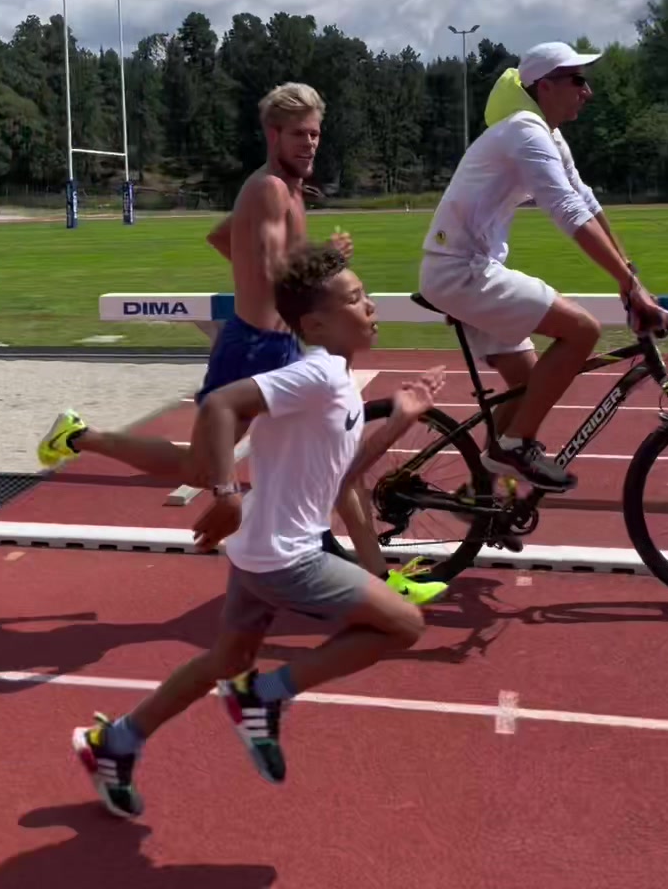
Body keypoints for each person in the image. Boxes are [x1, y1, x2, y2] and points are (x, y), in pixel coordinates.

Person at [37, 244, 445, 818]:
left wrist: (399, 421)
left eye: (366, 296)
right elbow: (221, 405)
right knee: (404, 624)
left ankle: (116, 743)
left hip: (259, 551)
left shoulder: (337, 382)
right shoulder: (316, 374)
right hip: (286, 558)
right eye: (355, 299)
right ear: (315, 325)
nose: (370, 307)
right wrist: (226, 495)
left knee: (226, 660)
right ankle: (265, 696)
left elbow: (341, 477)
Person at [194, 80, 446, 605]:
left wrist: (305, 264)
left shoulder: (285, 190)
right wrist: (318, 266)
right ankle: (85, 439)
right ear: (273, 134)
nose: (310, 143)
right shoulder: (269, 189)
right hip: (263, 343)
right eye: (300, 134)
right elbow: (273, 273)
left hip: (286, 339)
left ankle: (366, 573)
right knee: (201, 465)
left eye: (315, 134)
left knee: (331, 461)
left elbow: (226, 238)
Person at [419, 41, 668, 491]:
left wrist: (629, 275)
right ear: (546, 86)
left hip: (469, 268)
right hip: (461, 270)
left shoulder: (548, 135)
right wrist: (629, 285)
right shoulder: (526, 132)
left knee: (527, 381)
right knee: (583, 330)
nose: (587, 91)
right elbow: (567, 213)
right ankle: (514, 447)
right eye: (578, 80)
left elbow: (586, 201)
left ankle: (482, 496)